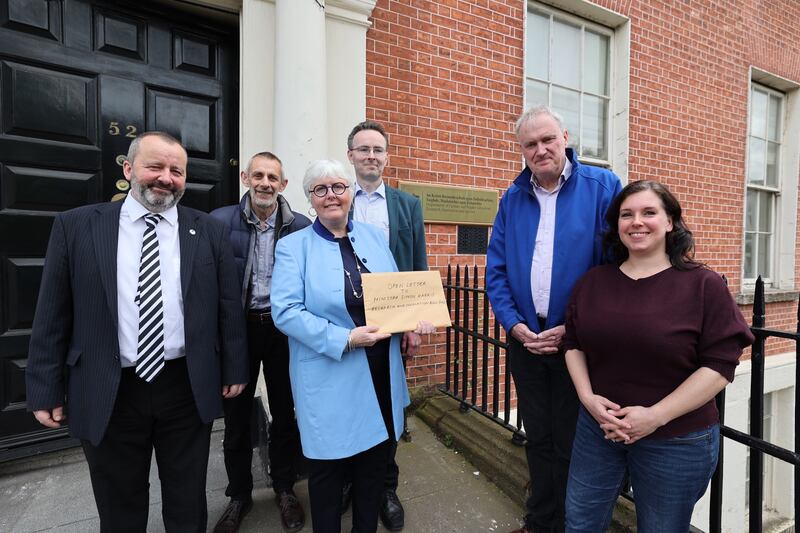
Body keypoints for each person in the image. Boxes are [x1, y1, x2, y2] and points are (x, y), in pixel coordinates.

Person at [25, 131, 249, 532]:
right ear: (129, 169)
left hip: (184, 385)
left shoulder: (208, 230)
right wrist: (44, 386)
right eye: (155, 166)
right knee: (118, 502)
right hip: (108, 386)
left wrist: (234, 368)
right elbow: (52, 313)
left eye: (176, 171)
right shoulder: (76, 226)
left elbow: (228, 306)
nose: (166, 177)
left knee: (187, 498)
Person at [562, 180, 754, 531]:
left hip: (676, 439)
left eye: (649, 212)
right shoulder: (593, 282)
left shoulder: (703, 285)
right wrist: (587, 398)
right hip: (598, 431)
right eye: (626, 214)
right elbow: (572, 343)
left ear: (670, 222)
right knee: (580, 524)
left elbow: (721, 364)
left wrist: (654, 416)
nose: (637, 222)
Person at [271, 159, 433, 533]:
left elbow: (397, 294)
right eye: (321, 189)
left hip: (379, 370)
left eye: (339, 187)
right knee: (328, 475)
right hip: (330, 372)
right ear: (310, 199)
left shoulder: (374, 238)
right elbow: (286, 312)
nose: (331, 196)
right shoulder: (293, 247)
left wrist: (415, 320)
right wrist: (344, 338)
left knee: (373, 469)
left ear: (350, 193)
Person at [486, 105, 621, 533]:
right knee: (538, 438)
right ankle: (540, 521)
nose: (540, 149)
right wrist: (514, 326)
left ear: (565, 136)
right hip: (526, 341)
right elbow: (497, 270)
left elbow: (613, 269)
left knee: (572, 442)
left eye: (548, 140)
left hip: (577, 345)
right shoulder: (512, 197)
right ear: (521, 150)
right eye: (530, 144)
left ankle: (571, 524)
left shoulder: (603, 187)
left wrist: (573, 326)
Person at [210, 152, 311, 533]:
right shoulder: (219, 222)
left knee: (286, 414)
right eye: (259, 175)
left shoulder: (300, 226)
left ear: (283, 185)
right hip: (239, 330)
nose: (265, 183)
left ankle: (285, 488)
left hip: (284, 332)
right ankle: (239, 495)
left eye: (273, 177)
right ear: (245, 178)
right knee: (236, 418)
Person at [346, 119, 428, 531]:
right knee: (348, 402)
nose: (371, 157)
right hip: (347, 322)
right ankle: (349, 480)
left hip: (392, 322)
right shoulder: (337, 198)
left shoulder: (407, 205)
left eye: (378, 150)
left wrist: (413, 324)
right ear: (351, 156)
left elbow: (417, 264)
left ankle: (385, 487)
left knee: (387, 405)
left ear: (387, 157)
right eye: (364, 150)